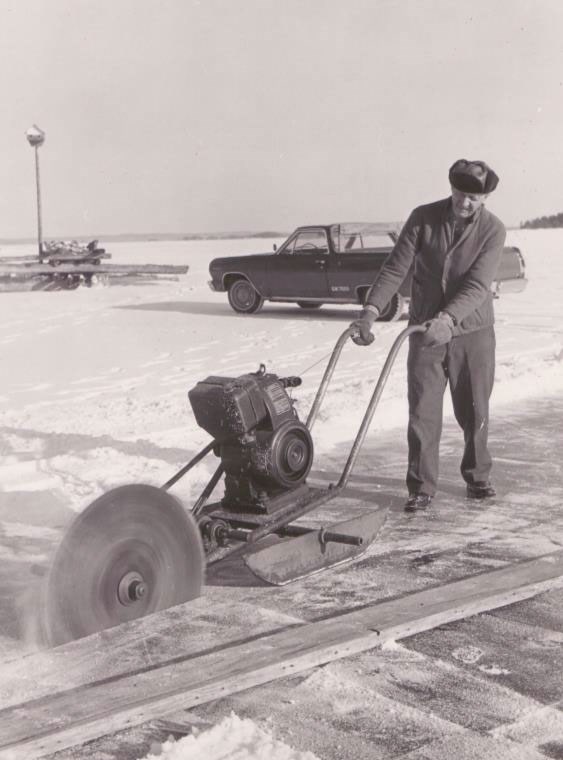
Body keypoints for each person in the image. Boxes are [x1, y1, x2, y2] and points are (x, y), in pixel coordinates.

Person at [351, 159, 506, 511]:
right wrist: (370, 311)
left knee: (474, 408)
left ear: (484, 200)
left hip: (472, 332)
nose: (465, 203)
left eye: (474, 199)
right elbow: (396, 267)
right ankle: (421, 486)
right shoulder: (423, 217)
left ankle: (478, 476)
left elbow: (479, 284)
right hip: (423, 329)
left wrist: (449, 318)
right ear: (451, 188)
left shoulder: (493, 230)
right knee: (422, 409)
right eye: (461, 194)